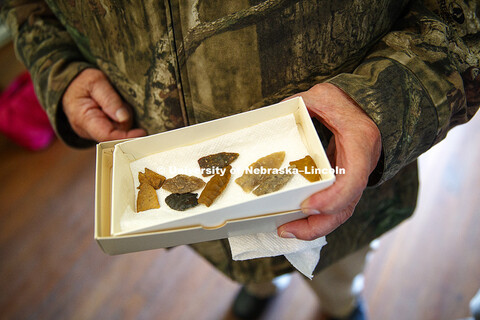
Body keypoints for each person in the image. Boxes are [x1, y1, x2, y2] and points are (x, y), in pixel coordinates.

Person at [2, 0, 479, 319]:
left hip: (338, 167)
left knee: (338, 266)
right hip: (169, 157)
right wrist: (58, 66)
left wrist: (384, 103)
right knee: (237, 252)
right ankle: (262, 287)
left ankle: (340, 303)